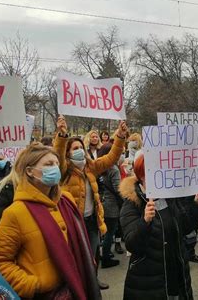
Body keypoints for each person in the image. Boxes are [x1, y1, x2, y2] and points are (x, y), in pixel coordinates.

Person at [0, 143, 101, 299]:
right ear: (30, 171)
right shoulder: (15, 213)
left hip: (76, 288)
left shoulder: (66, 199)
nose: (55, 168)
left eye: (55, 163)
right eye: (48, 164)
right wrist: (34, 285)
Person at [119, 154, 198, 300]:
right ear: (141, 175)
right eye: (152, 171)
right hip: (149, 280)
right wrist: (145, 221)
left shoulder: (169, 196)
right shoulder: (132, 203)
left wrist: (196, 206)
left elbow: (185, 227)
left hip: (177, 273)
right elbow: (132, 244)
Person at [54, 115, 127, 289]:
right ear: (68, 153)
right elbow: (57, 154)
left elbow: (111, 157)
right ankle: (76, 286)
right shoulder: (64, 170)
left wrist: (120, 136)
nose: (79, 150)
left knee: (92, 255)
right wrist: (62, 135)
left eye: (80, 147)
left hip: (92, 220)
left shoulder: (91, 166)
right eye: (74, 148)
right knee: (74, 257)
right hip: (73, 222)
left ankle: (93, 282)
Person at [98, 142, 124, 268]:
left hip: (101, 202)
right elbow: (118, 189)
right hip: (112, 205)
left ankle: (103, 254)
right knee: (110, 232)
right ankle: (106, 257)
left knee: (104, 232)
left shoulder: (100, 167)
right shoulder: (114, 169)